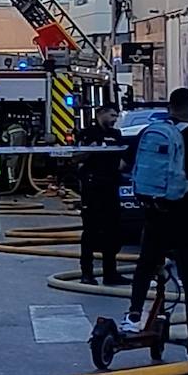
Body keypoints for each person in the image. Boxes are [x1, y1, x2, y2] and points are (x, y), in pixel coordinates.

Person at [122, 88, 188, 361]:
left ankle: (134, 315)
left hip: (156, 213)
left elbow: (125, 164)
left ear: (169, 106)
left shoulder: (150, 132)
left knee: (145, 265)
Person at [78, 103, 128, 286]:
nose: (115, 119)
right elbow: (76, 157)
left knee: (112, 231)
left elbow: (122, 158)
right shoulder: (87, 134)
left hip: (111, 186)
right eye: (112, 115)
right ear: (101, 114)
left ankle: (110, 273)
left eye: (117, 116)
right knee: (90, 231)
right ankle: (87, 273)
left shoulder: (117, 135)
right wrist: (89, 150)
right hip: (92, 188)